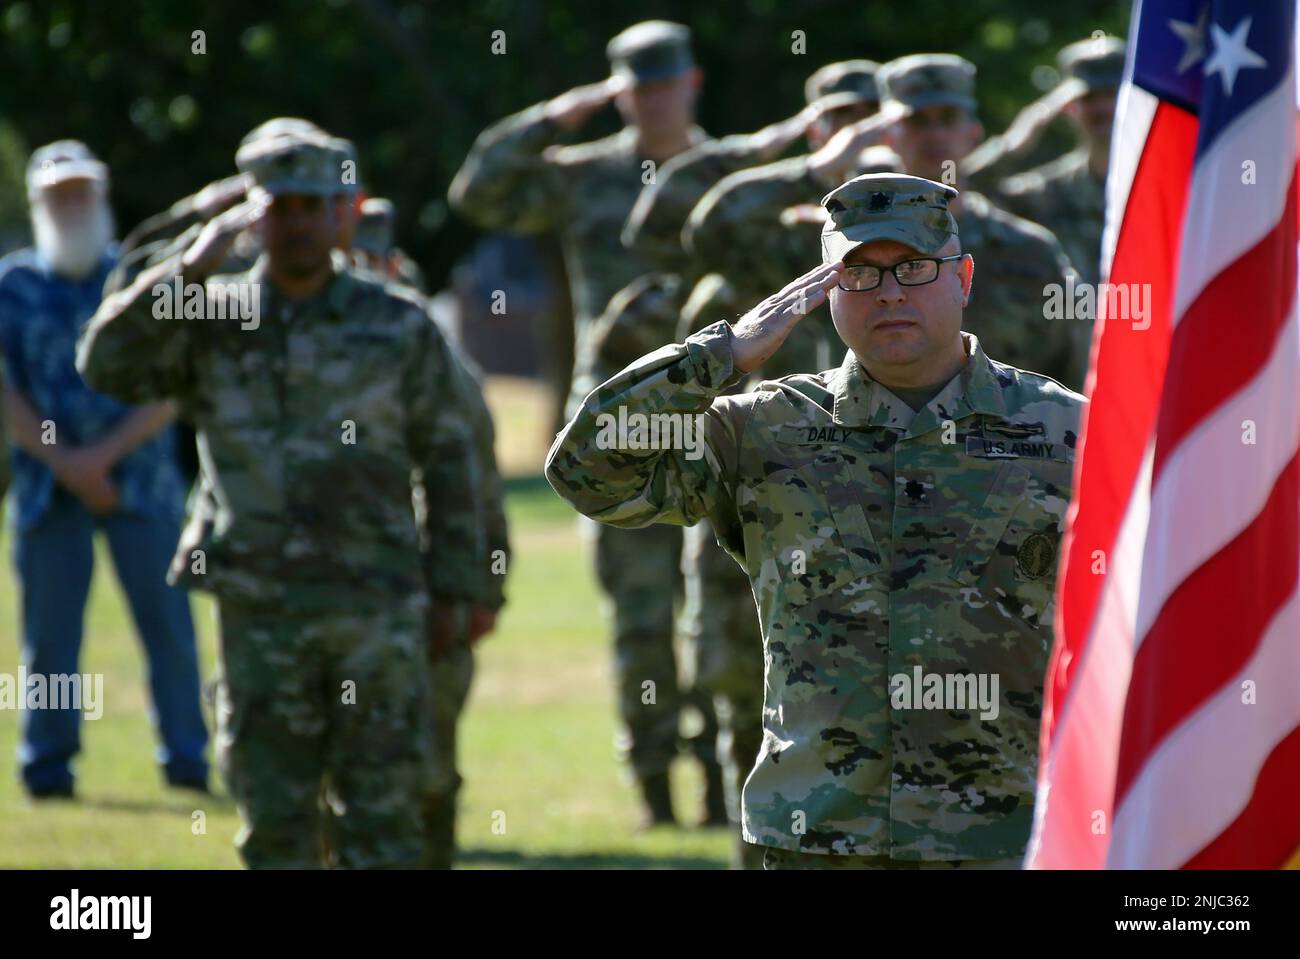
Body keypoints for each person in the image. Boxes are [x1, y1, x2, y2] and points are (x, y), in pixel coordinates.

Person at [546, 173, 1084, 869]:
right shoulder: (767, 428)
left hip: (1007, 837)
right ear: (827, 290)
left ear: (964, 277)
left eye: (915, 268)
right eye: (859, 273)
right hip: (819, 837)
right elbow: (586, 470)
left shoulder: (1065, 430)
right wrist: (722, 356)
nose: (888, 292)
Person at [77, 129, 495, 868]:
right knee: (275, 827)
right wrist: (193, 262)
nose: (298, 222)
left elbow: (451, 457)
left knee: (385, 822)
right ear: (251, 213)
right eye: (281, 206)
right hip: (260, 613)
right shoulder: (213, 314)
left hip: (378, 610)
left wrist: (460, 588)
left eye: (314, 205)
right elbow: (107, 364)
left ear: (340, 212)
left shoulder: (395, 322)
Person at [449, 20, 713, 828]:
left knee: (723, 616)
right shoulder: (585, 175)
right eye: (635, 87)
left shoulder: (729, 175)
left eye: (665, 84)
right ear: (617, 91)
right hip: (617, 430)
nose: (652, 101)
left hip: (719, 422)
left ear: (691, 84)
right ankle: (656, 793)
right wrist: (559, 115)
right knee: (639, 619)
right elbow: (479, 190)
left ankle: (722, 780)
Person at [0, 140, 207, 799]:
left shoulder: (140, 277)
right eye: (59, 194)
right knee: (50, 642)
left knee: (170, 631)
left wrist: (101, 458)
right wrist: (65, 460)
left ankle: (187, 758)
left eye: (82, 190)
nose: (72, 203)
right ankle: (48, 764)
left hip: (140, 480)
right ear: (37, 204)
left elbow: (175, 383)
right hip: (45, 486)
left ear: (102, 196)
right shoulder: (12, 287)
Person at [807, 54, 1083, 389]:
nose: (934, 134)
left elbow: (1073, 366)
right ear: (889, 136)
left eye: (947, 119)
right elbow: (728, 228)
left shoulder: (1030, 248)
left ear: (973, 132)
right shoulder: (840, 243)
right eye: (918, 120)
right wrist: (815, 170)